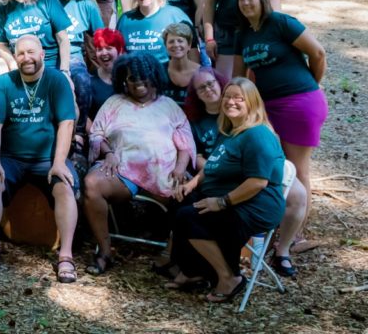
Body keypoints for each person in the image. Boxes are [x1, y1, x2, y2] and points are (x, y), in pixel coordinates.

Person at [234, 0, 327, 264]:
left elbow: (318, 53)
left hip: (300, 103)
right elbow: (241, 77)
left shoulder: (281, 23)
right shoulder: (244, 35)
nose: (246, 3)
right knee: (274, 165)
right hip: (267, 108)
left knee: (298, 170)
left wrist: (310, 84)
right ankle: (272, 222)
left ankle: (295, 233)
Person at [170, 78, 287, 302]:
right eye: (227, 96)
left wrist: (221, 202)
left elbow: (257, 182)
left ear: (251, 103)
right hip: (230, 197)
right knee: (180, 201)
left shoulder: (257, 134)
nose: (230, 102)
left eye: (238, 98)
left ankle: (229, 277)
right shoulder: (230, 131)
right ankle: (194, 271)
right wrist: (191, 184)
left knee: (189, 218)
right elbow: (213, 164)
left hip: (255, 204)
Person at [83, 52, 195, 275]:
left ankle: (172, 256)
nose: (138, 82)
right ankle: (105, 252)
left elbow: (185, 143)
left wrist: (181, 167)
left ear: (154, 76)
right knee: (91, 184)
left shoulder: (169, 105)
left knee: (190, 192)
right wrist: (108, 154)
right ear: (124, 80)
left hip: (165, 174)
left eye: (144, 77)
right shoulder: (114, 103)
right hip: (122, 172)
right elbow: (97, 134)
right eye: (132, 78)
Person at [0, 35, 79, 281]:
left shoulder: (56, 80)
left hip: (48, 157)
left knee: (65, 187)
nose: (27, 58)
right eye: (21, 53)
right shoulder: (3, 83)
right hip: (12, 157)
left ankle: (66, 256)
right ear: (14, 57)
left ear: (43, 53)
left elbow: (66, 123)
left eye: (31, 52)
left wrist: (58, 162)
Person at [49, 0, 104, 106]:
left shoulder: (87, 5)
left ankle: (80, 127)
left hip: (74, 56)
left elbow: (101, 37)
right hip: (48, 53)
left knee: (83, 82)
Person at [116, 0, 190, 63]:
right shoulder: (125, 20)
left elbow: (192, 49)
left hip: (167, 73)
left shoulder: (175, 15)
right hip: (134, 74)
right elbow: (118, 52)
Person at [86, 28, 125, 122]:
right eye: (99, 49)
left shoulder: (129, 77)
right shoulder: (90, 80)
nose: (104, 53)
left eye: (108, 48)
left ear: (120, 50)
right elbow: (85, 115)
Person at [163, 23, 201, 107]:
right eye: (171, 41)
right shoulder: (159, 71)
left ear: (189, 45)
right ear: (166, 46)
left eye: (180, 41)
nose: (176, 45)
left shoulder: (202, 72)